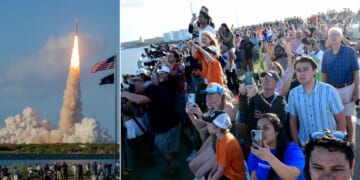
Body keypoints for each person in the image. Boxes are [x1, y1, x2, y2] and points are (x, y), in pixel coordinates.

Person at [121, 77, 181, 176]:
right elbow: (137, 108)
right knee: (165, 146)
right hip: (168, 124)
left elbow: (141, 101)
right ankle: (173, 166)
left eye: (132, 86)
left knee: (163, 147)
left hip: (168, 125)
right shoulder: (149, 91)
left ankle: (174, 169)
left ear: (139, 84)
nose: (132, 89)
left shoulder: (151, 89)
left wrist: (124, 93)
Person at [288, 55, 346, 147]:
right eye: (298, 70)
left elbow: (341, 119)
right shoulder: (293, 94)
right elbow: (292, 120)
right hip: (305, 144)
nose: (302, 73)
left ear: (315, 71)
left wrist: (337, 143)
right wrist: (296, 145)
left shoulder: (329, 91)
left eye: (305, 69)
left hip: (329, 145)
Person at [321, 26, 359, 141]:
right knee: (335, 118)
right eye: (331, 35)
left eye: (336, 34)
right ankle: (338, 142)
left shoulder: (349, 51)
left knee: (347, 119)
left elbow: (356, 72)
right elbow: (324, 74)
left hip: (348, 88)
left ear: (341, 37)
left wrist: (356, 91)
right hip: (333, 90)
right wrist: (324, 92)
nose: (333, 37)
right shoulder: (326, 54)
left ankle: (349, 142)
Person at [248, 113, 305, 180]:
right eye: (258, 128)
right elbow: (254, 176)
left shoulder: (292, 150)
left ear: (277, 131)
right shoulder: (257, 150)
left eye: (265, 128)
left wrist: (268, 157)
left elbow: (292, 176)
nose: (261, 132)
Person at [206, 111, 246, 180]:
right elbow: (218, 159)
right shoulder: (220, 138)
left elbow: (220, 171)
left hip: (235, 177)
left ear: (218, 129)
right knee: (207, 175)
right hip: (227, 172)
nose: (207, 125)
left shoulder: (226, 143)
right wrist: (211, 173)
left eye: (210, 124)